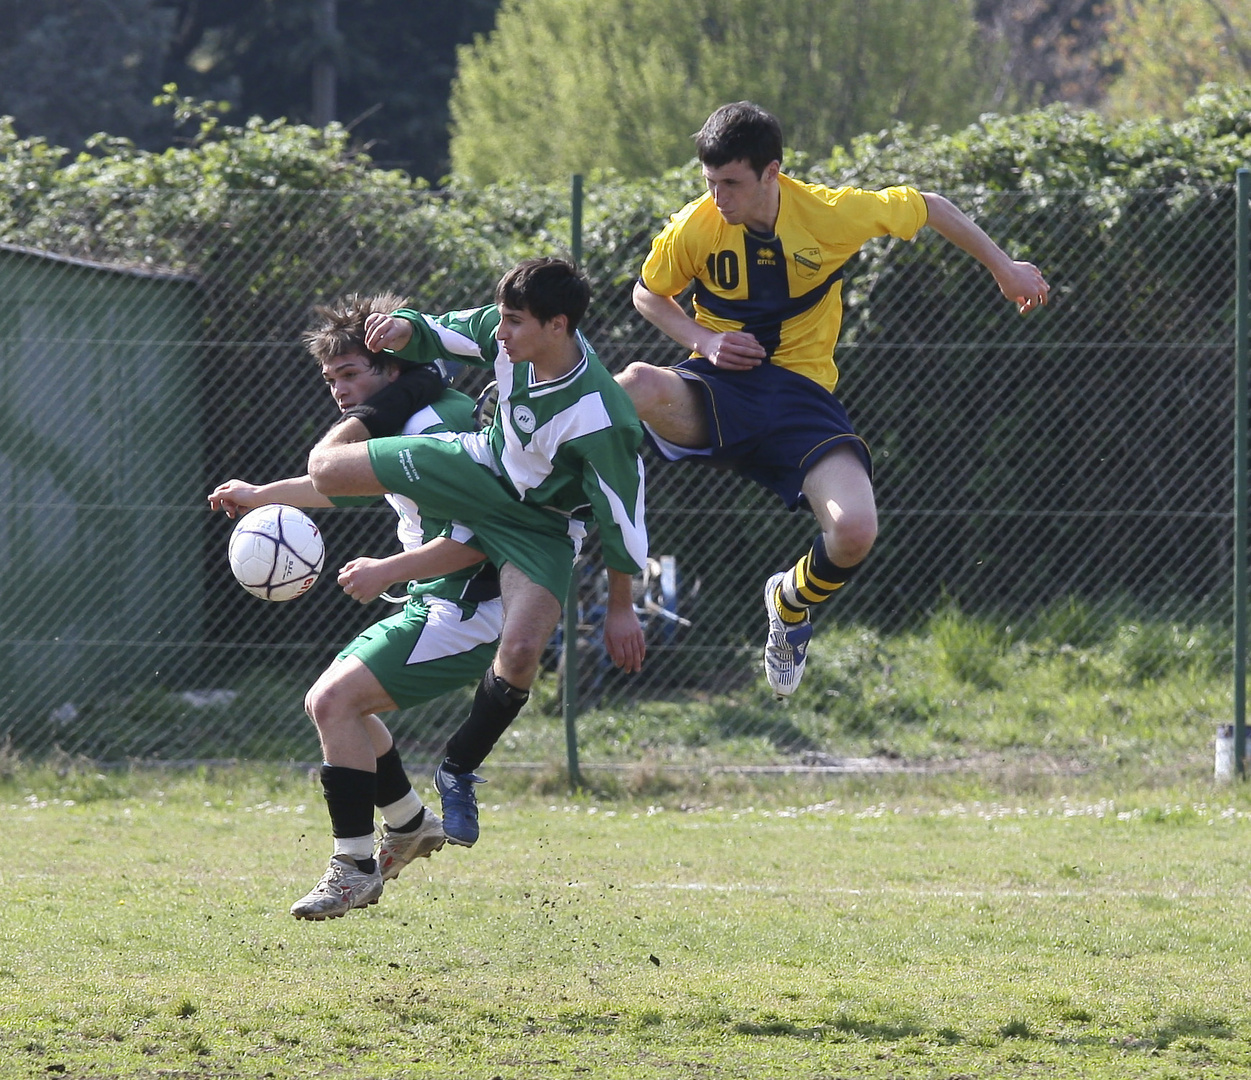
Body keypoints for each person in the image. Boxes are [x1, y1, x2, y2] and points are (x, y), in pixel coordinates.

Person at [618, 101, 1050, 698]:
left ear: (772, 174)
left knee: (855, 532)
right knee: (634, 385)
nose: (718, 197)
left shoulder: (828, 213)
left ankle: (789, 601)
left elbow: (929, 207)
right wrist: (704, 340)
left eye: (732, 184)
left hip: (799, 400)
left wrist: (1004, 269)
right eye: (709, 182)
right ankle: (537, 484)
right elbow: (648, 294)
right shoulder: (696, 227)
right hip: (719, 390)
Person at [307, 258, 648, 847]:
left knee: (520, 652)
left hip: (542, 526)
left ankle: (457, 769)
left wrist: (622, 608)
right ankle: (383, 841)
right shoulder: (504, 335)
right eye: (504, 319)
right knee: (326, 466)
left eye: (515, 323)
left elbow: (623, 521)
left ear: (558, 325)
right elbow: (438, 330)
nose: (503, 332)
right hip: (476, 466)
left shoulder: (601, 416)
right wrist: (402, 329)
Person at [209, 292, 504, 921]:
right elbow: (334, 483)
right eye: (331, 379)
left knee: (334, 702)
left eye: (352, 374)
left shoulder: (436, 428)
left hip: (471, 609)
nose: (340, 391)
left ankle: (354, 868)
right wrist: (261, 495)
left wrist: (388, 570)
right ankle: (408, 823)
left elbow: (483, 538)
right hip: (435, 598)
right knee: (342, 706)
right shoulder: (406, 417)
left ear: (392, 368)